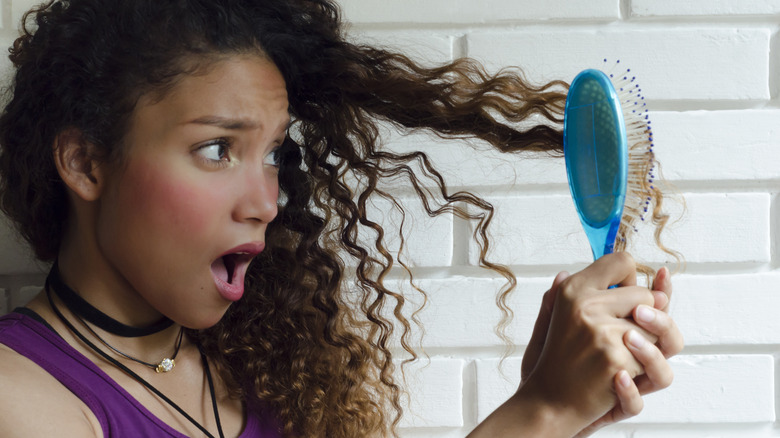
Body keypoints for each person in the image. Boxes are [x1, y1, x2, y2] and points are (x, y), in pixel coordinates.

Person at [0, 0, 683, 437]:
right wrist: (542, 411)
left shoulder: (252, 370)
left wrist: (564, 398)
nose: (265, 202)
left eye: (273, 154)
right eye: (216, 149)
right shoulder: (17, 396)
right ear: (86, 164)